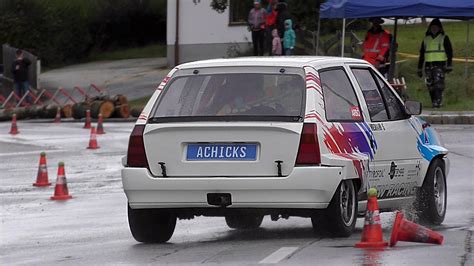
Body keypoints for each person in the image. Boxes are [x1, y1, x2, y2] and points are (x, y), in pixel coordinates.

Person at [417, 18, 453, 108]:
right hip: (428, 65)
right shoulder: (426, 39)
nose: (434, 29)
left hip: (440, 65)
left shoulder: (444, 38)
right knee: (430, 85)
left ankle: (437, 102)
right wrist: (419, 68)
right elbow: (422, 54)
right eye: (432, 27)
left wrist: (449, 64)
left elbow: (449, 52)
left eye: (436, 27)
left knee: (438, 85)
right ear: (429, 28)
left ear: (440, 28)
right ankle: (434, 101)